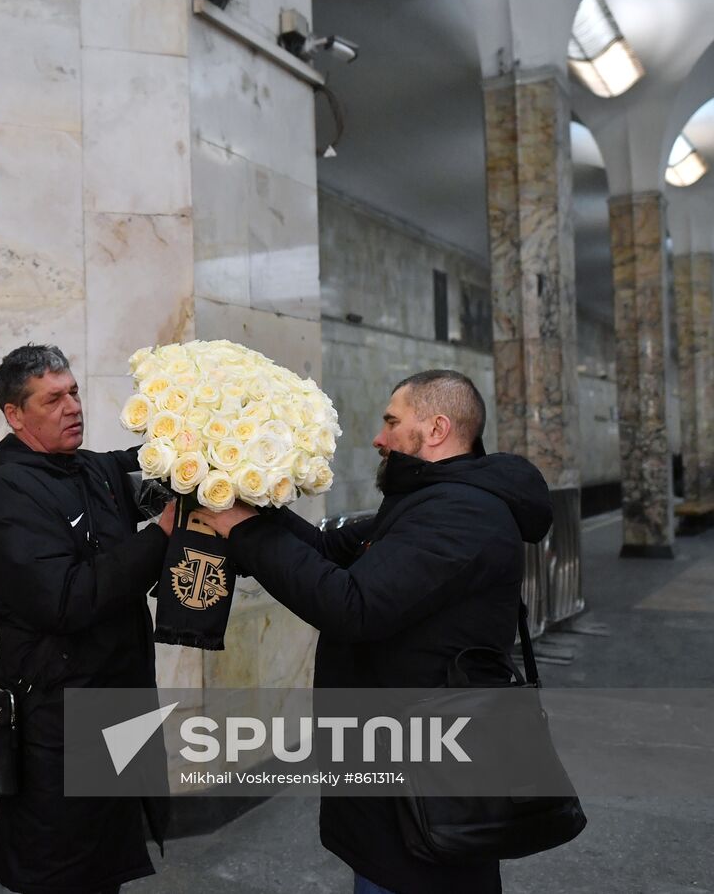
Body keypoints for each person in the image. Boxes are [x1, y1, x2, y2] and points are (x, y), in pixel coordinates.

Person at [199, 369, 554, 894]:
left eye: (392, 422)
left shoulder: (462, 513)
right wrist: (251, 505)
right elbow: (329, 553)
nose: (379, 437)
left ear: (435, 429)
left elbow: (354, 606)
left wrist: (243, 528)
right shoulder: (431, 500)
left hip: (430, 781)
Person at [0, 344, 175, 894]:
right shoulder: (7, 492)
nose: (73, 406)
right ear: (15, 415)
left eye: (75, 392)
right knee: (61, 868)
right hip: (56, 718)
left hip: (112, 700)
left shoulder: (95, 469)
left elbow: (159, 468)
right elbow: (66, 600)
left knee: (104, 866)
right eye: (53, 398)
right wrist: (160, 533)